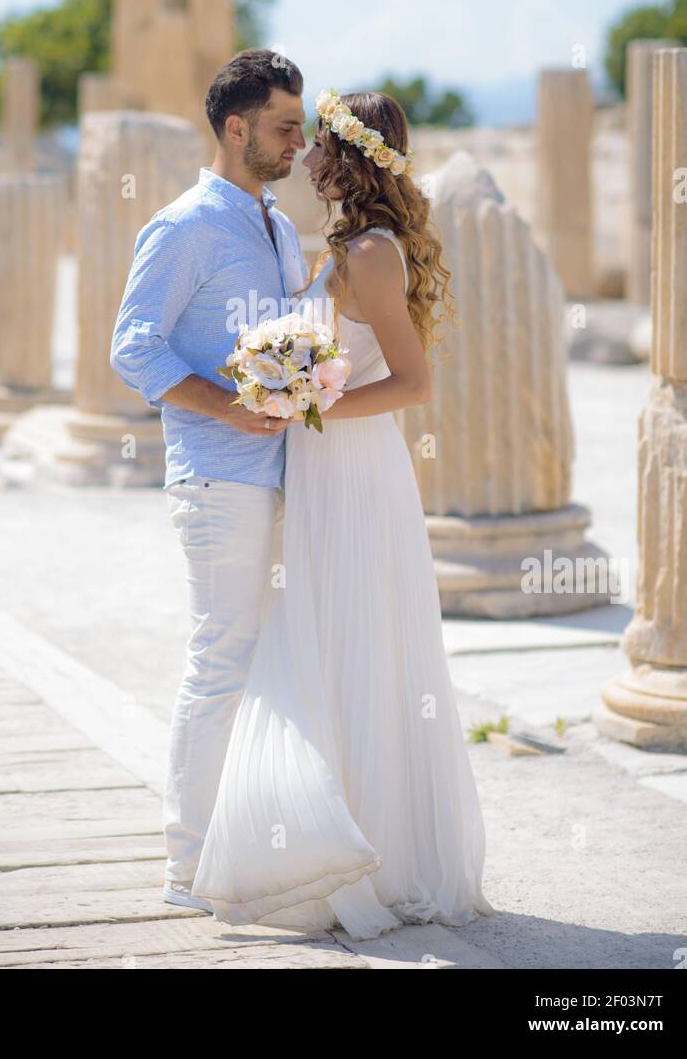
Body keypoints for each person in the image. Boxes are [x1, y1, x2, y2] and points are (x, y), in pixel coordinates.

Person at [189, 89, 496, 939]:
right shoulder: (343, 246)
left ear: (349, 157)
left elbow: (410, 384)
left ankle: (368, 854)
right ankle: (341, 842)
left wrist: (307, 405)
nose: (307, 154)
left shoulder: (369, 252)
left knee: (353, 641)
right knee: (330, 639)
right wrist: (292, 392)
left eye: (318, 141)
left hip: (355, 470)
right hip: (323, 467)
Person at [109, 48, 309, 911]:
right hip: (217, 476)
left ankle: (256, 846)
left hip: (291, 477)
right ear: (236, 129)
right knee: (221, 661)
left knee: (279, 662)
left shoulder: (283, 227)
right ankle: (185, 868)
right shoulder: (182, 226)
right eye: (284, 127)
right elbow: (133, 345)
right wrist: (227, 408)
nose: (299, 142)